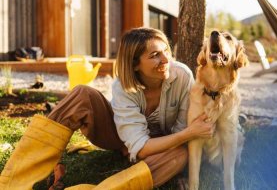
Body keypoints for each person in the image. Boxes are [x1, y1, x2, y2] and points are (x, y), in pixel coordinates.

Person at [0, 27, 214, 190]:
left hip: (164, 147)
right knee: (82, 94)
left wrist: (173, 139)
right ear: (134, 64)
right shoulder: (122, 86)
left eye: (166, 50)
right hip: (119, 137)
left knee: (180, 155)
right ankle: (15, 181)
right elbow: (144, 144)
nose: (166, 59)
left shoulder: (182, 75)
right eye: (154, 55)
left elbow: (179, 132)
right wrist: (187, 134)